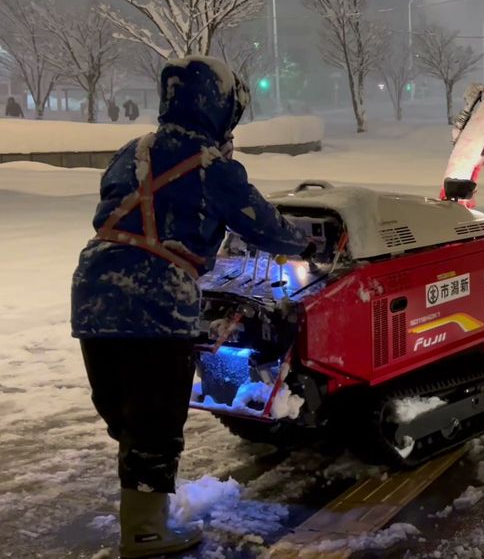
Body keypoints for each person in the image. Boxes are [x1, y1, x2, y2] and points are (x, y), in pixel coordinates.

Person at [71, 56, 311, 558]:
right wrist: (305, 245)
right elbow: (261, 225)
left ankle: (141, 508)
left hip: (94, 292)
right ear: (218, 107)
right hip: (157, 299)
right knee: (154, 417)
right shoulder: (212, 166)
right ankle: (145, 533)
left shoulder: (128, 152)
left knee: (124, 412)